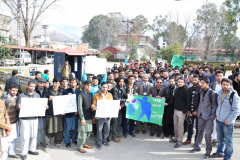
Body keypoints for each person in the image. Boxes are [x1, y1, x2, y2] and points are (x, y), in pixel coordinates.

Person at [16, 80, 48, 160]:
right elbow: (16, 107)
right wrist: (18, 106)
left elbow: (40, 106)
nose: (32, 88)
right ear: (27, 86)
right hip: (25, 119)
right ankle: (23, 153)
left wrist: (44, 107)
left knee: (34, 135)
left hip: (34, 118)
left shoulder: (37, 95)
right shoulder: (22, 96)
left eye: (33, 86)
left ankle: (32, 149)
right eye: (31, 86)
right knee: (25, 136)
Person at [211, 78, 240, 160]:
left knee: (228, 141)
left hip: (228, 122)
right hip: (219, 120)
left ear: (230, 86)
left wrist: (229, 120)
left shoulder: (234, 95)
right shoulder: (219, 93)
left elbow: (237, 110)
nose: (225, 86)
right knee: (220, 139)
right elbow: (218, 105)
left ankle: (227, 157)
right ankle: (220, 152)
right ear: (221, 85)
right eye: (223, 84)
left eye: (227, 85)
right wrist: (216, 114)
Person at [189, 78, 218, 159]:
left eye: (203, 83)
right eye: (201, 82)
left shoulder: (212, 93)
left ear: (208, 84)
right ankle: (197, 146)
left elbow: (214, 105)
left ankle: (208, 151)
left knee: (208, 135)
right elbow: (200, 103)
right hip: (200, 116)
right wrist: (197, 111)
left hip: (209, 117)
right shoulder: (201, 91)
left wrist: (212, 116)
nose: (201, 84)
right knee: (199, 132)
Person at [165, 77, 191, 148]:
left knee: (180, 127)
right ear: (177, 82)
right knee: (175, 125)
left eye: (181, 82)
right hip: (175, 110)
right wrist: (167, 103)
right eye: (179, 82)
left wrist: (184, 111)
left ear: (183, 83)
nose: (180, 83)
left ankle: (179, 141)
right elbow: (173, 100)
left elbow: (188, 102)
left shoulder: (185, 91)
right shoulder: (176, 90)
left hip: (181, 111)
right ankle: (176, 138)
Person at [91, 82, 115, 150]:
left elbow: (112, 104)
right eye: (103, 87)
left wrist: (116, 107)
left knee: (107, 129)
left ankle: (104, 141)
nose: (105, 88)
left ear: (108, 88)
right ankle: (99, 142)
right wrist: (93, 107)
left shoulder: (110, 95)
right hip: (100, 115)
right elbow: (93, 104)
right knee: (99, 130)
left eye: (106, 87)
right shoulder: (96, 95)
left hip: (107, 116)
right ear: (101, 87)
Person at [44, 77, 64, 153]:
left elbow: (64, 102)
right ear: (53, 83)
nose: (56, 84)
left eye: (58, 83)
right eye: (55, 83)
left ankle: (58, 142)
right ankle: (46, 145)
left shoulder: (61, 91)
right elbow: (43, 101)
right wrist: (48, 100)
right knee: (49, 129)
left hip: (58, 113)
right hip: (50, 113)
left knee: (59, 128)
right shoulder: (47, 90)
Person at [63, 77, 81, 148]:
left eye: (74, 82)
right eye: (71, 82)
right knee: (67, 128)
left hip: (76, 113)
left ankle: (74, 139)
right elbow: (63, 101)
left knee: (75, 128)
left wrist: (78, 110)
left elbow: (80, 102)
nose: (73, 83)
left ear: (76, 83)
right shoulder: (65, 91)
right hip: (68, 112)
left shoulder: (79, 91)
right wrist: (67, 96)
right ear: (69, 83)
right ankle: (67, 142)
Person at [183, 75, 201, 145]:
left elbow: (201, 102)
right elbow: (187, 101)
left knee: (197, 127)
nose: (194, 81)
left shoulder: (201, 89)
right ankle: (188, 139)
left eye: (196, 80)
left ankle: (196, 141)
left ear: (198, 80)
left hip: (197, 112)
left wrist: (197, 110)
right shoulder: (189, 89)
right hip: (190, 111)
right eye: (193, 80)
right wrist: (188, 110)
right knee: (190, 126)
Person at [2, 84, 19, 159]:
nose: (15, 92)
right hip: (7, 124)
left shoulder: (18, 98)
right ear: (9, 90)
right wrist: (6, 126)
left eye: (16, 90)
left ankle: (12, 153)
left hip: (15, 122)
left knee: (14, 138)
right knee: (6, 141)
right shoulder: (4, 100)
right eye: (13, 90)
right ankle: (4, 156)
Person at [77, 80, 93, 153]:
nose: (88, 86)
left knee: (88, 131)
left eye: (90, 85)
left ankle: (85, 144)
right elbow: (80, 107)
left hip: (89, 116)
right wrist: (82, 118)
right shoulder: (81, 94)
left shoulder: (91, 94)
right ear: (84, 86)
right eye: (87, 85)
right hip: (83, 117)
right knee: (82, 132)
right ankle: (80, 146)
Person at [112, 77, 129, 142]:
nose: (122, 83)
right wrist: (124, 100)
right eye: (120, 82)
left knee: (119, 121)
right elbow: (115, 98)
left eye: (123, 81)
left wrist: (123, 102)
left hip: (121, 106)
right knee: (115, 123)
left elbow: (124, 95)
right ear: (117, 82)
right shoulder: (114, 88)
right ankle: (114, 136)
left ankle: (118, 133)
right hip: (115, 107)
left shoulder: (124, 87)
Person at [210, 70, 224, 146]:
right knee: (214, 124)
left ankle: (221, 139)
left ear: (223, 76)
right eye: (217, 75)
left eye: (220, 75)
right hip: (215, 106)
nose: (219, 77)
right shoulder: (212, 85)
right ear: (215, 76)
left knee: (222, 124)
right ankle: (214, 138)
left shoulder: (225, 85)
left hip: (224, 108)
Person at [35, 78, 48, 147]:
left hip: (44, 113)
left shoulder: (47, 90)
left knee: (43, 128)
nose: (42, 85)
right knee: (36, 129)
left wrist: (48, 104)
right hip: (36, 113)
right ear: (37, 83)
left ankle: (42, 141)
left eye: (43, 83)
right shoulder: (34, 90)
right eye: (40, 83)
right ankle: (35, 143)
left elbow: (49, 99)